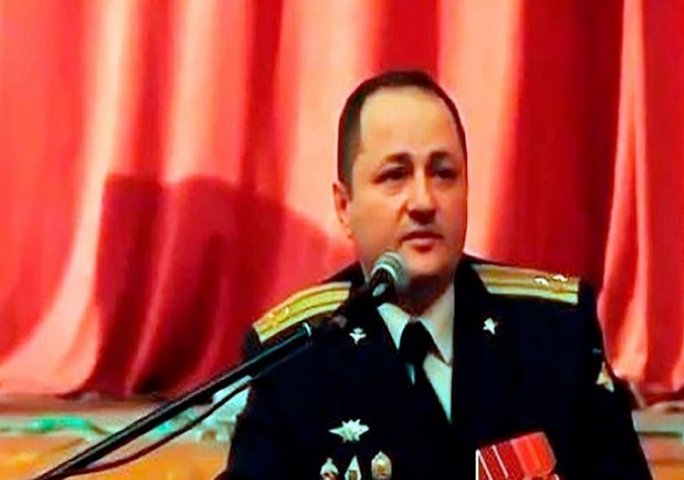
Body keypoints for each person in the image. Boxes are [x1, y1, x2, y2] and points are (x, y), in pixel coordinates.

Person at [217, 70, 652, 479]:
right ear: (344, 206)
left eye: (444, 174)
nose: (424, 202)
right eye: (395, 175)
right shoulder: (298, 356)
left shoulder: (553, 334)